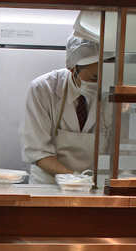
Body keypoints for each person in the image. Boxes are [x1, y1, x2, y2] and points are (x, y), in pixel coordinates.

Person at [22, 34, 109, 184]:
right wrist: (76, 179)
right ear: (72, 68)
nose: (100, 83)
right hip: (49, 186)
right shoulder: (43, 89)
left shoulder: (111, 94)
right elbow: (38, 152)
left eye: (105, 76)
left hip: (96, 186)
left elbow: (121, 151)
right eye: (94, 78)